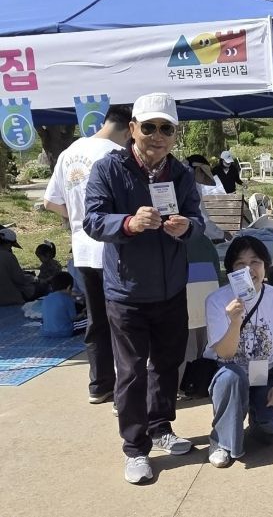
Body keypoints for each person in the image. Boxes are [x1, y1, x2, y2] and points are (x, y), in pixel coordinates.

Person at [83, 92, 204, 485]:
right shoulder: (109, 168)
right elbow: (92, 220)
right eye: (149, 127)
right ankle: (135, 448)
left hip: (171, 290)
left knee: (168, 363)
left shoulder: (181, 174)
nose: (157, 136)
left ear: (175, 134)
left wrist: (187, 227)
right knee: (132, 372)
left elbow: (198, 220)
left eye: (166, 128)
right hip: (127, 293)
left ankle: (161, 426)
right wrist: (128, 224)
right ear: (133, 129)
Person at [44, 104, 132, 406]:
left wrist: (77, 219)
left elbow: (49, 201)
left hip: (82, 250)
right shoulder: (116, 154)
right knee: (122, 320)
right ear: (129, 129)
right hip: (112, 249)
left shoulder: (70, 152)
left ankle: (99, 385)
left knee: (96, 319)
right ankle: (124, 391)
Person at [203, 235, 273, 468]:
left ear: (265, 266)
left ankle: (251, 423)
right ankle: (221, 441)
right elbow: (226, 354)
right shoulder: (217, 300)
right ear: (231, 271)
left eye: (255, 262)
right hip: (229, 372)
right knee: (232, 377)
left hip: (265, 374)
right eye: (240, 263)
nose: (248, 269)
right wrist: (234, 321)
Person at [184, 154, 227, 242]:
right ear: (198, 170)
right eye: (204, 174)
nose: (204, 177)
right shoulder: (191, 188)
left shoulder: (186, 182)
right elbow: (202, 218)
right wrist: (221, 234)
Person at [40, 271, 88, 338]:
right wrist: (84, 313)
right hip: (65, 331)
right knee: (90, 321)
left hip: (45, 331)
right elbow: (74, 318)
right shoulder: (67, 298)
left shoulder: (46, 298)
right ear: (69, 287)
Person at [0, 228, 36, 306]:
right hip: (9, 299)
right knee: (39, 287)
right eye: (11, 246)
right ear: (8, 244)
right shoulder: (9, 256)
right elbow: (20, 279)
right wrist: (31, 278)